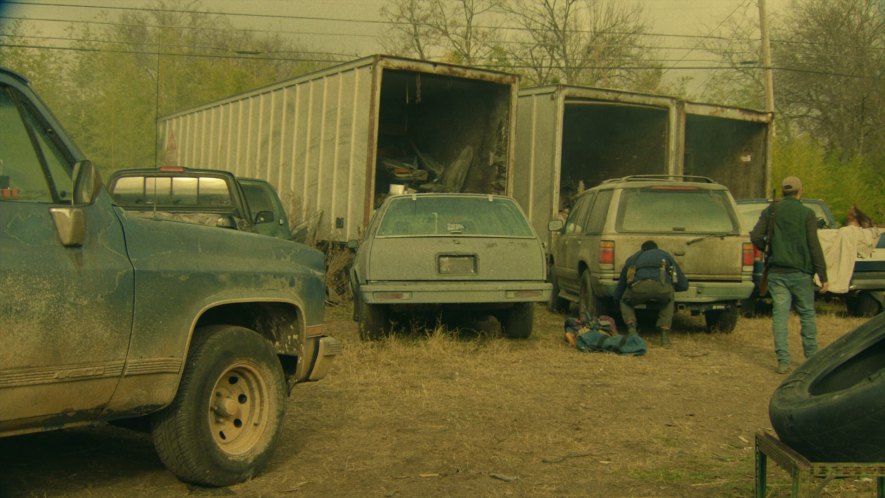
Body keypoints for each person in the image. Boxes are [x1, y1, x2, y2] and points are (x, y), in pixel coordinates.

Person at [751, 176, 829, 374]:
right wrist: (823, 275)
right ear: (799, 191)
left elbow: (756, 236)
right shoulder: (807, 213)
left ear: (783, 191)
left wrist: (768, 250)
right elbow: (814, 245)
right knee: (807, 314)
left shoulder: (772, 210)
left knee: (780, 316)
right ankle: (810, 359)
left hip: (776, 272)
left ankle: (783, 361)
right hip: (801, 273)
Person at [614, 240, 688, 347]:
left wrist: (617, 298)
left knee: (625, 302)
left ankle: (632, 330)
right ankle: (664, 335)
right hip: (662, 287)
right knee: (668, 301)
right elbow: (680, 280)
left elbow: (622, 283)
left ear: (643, 249)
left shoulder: (634, 257)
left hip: (639, 288)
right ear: (656, 248)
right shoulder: (665, 255)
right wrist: (680, 288)